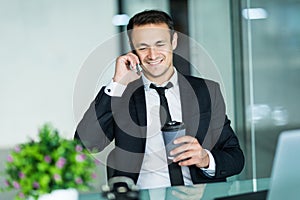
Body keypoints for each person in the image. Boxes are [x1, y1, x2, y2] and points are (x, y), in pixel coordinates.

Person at [74, 9, 244, 190]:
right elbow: (85, 144)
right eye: (143, 47)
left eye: (160, 44)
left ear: (174, 41)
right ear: (132, 48)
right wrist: (117, 83)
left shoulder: (207, 91)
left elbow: (235, 157)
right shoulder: (121, 95)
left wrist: (205, 159)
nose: (153, 55)